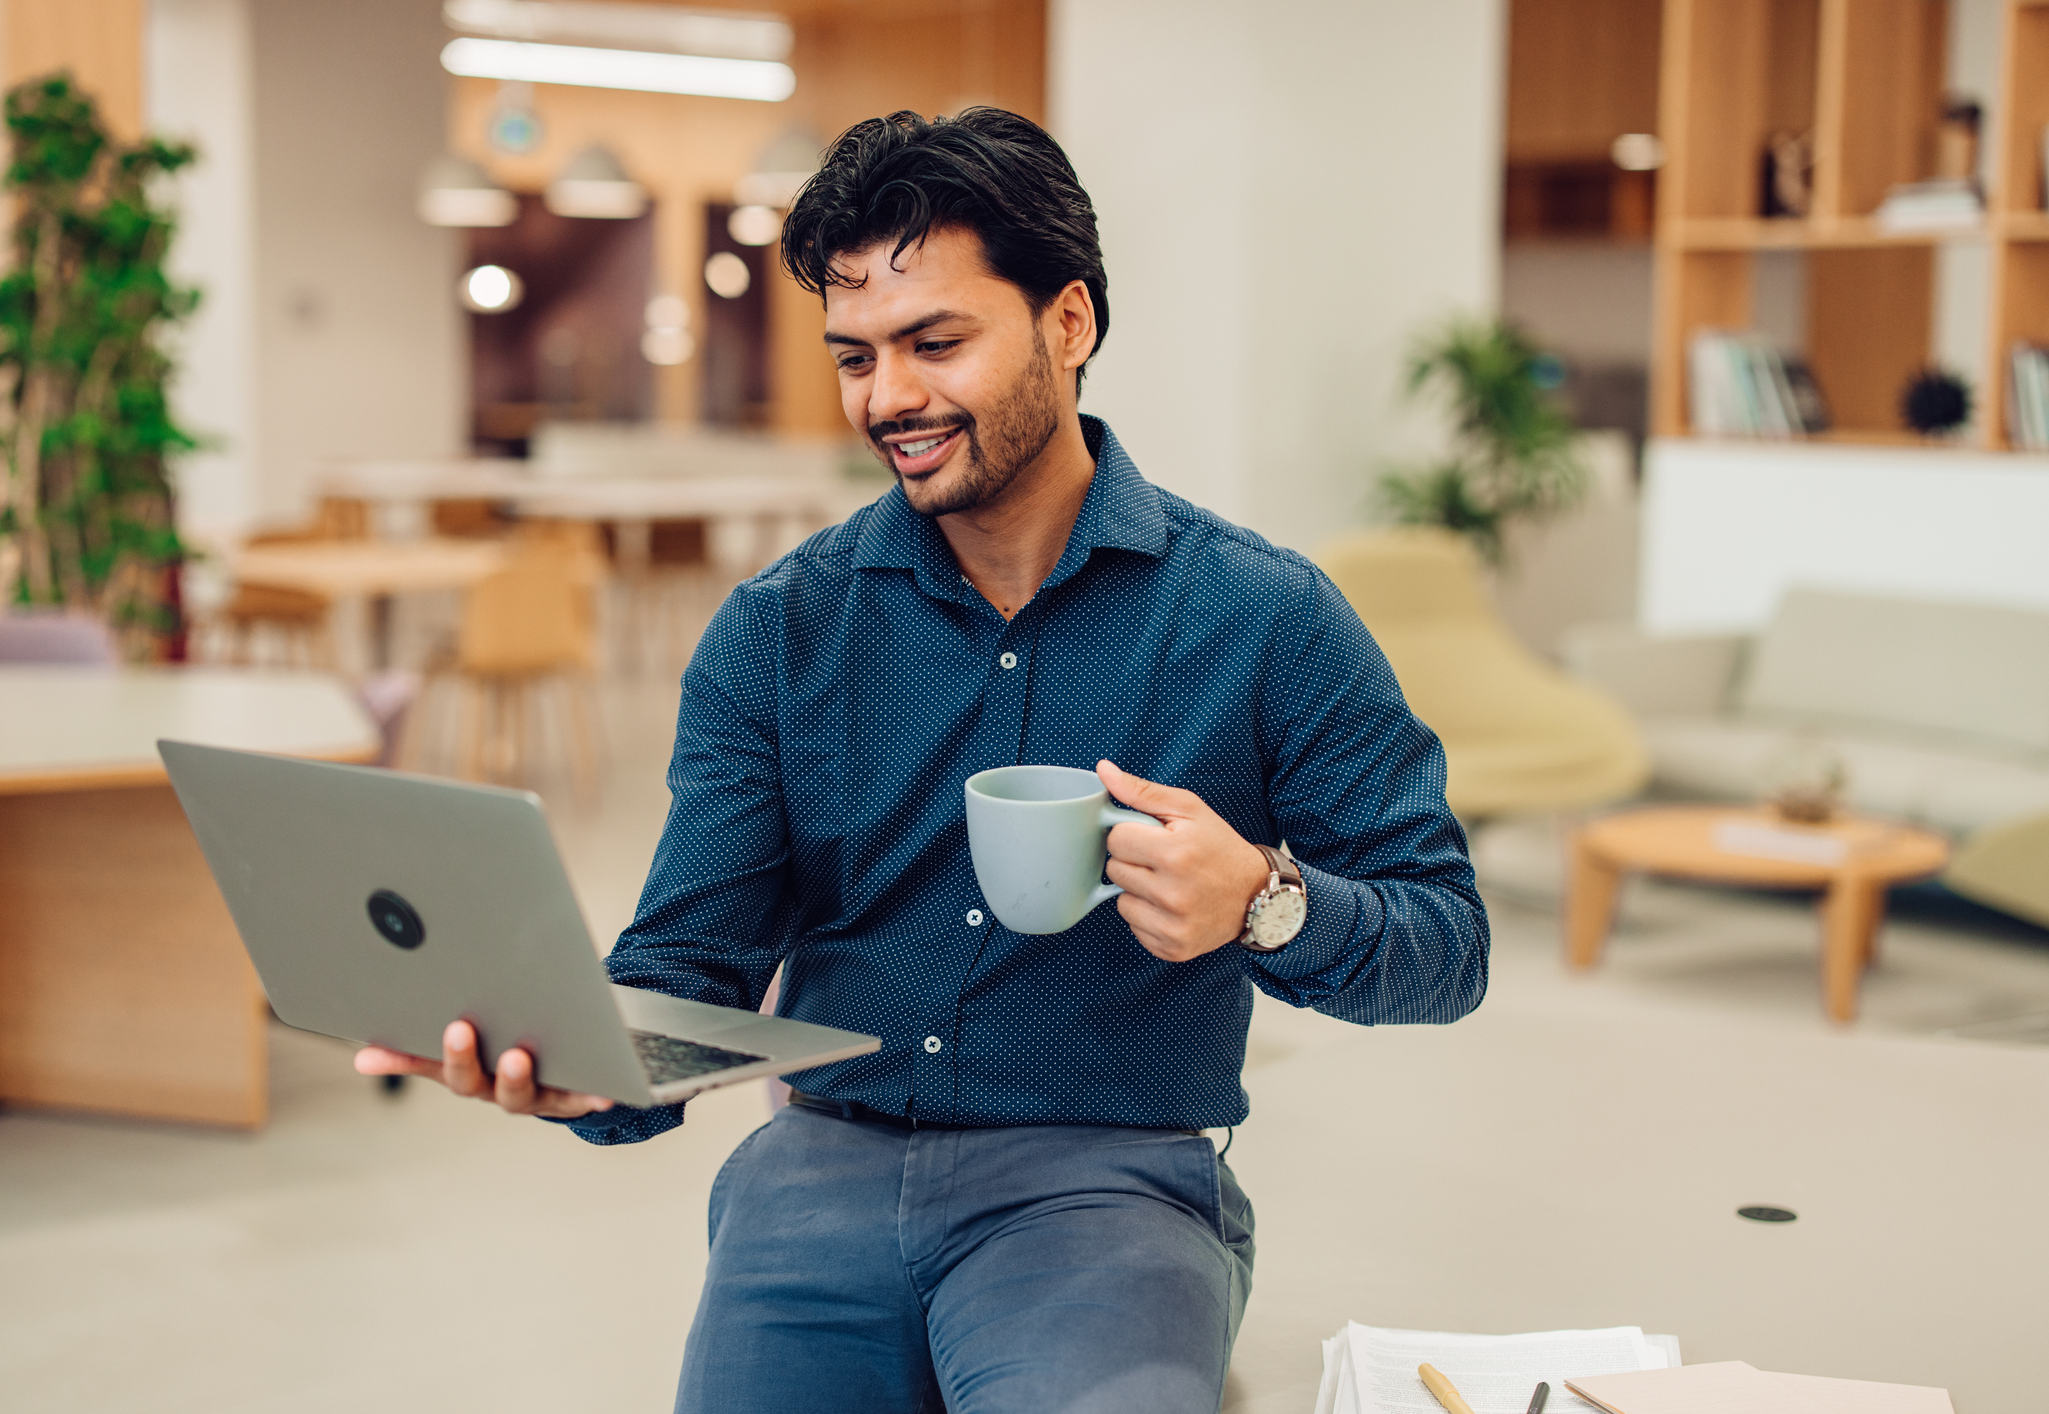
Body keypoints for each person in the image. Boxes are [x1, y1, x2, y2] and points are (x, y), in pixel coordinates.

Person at [358, 107, 1489, 1413]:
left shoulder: (1264, 618)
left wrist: (1265, 901)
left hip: (1109, 1185)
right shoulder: (778, 632)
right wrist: (575, 1061)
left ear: (1068, 325)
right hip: (821, 1171)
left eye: (935, 342)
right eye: (856, 355)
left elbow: (1447, 943)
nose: (887, 396)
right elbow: (687, 971)